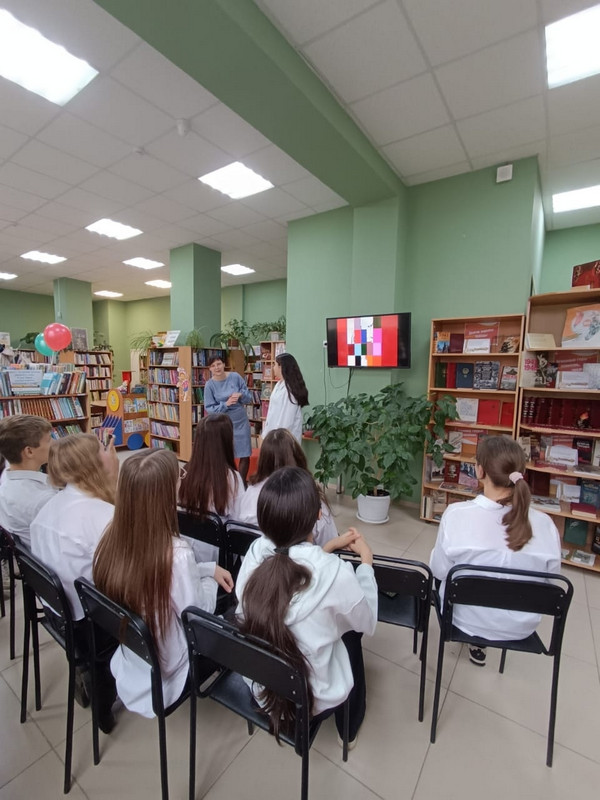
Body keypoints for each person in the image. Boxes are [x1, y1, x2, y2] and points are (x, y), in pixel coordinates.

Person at [236, 466, 377, 747]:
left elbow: (290, 567)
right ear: (318, 515)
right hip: (313, 695)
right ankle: (348, 730)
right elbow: (367, 620)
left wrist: (327, 548)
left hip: (261, 685)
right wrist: (366, 564)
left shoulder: (255, 553)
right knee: (351, 633)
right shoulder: (336, 572)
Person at [93, 449, 233, 717]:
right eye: (179, 476)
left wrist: (206, 568)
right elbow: (197, 614)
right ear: (166, 493)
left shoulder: (110, 539)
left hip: (134, 655)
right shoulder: (177, 554)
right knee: (231, 615)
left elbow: (164, 579)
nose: (182, 479)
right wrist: (209, 581)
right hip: (170, 667)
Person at [429, 434, 562, 667]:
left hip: (464, 619)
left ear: (479, 471)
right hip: (520, 626)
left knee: (441, 571)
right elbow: (551, 583)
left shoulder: (456, 514)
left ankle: (475, 640)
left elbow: (439, 571)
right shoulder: (545, 524)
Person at [30, 433, 119, 732]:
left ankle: (83, 666)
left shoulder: (47, 509)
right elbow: (127, 577)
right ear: (92, 464)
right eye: (103, 449)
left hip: (58, 615)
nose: (110, 451)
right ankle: (107, 701)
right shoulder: (104, 516)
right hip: (91, 624)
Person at [237, 428, 338, 548]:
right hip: (299, 560)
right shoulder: (311, 499)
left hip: (250, 556)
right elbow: (330, 542)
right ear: (297, 457)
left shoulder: (250, 492)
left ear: (262, 459)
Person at [178, 414, 245, 561]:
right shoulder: (232, 478)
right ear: (227, 442)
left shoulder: (185, 471)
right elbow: (238, 526)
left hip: (186, 548)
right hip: (218, 555)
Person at [0, 415, 57, 544]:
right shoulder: (43, 500)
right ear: (29, 451)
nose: (54, 443)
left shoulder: (5, 479)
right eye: (49, 440)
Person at [203, 356, 253, 484]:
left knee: (245, 453)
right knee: (225, 454)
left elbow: (249, 398)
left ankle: (242, 484)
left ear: (224, 364)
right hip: (222, 424)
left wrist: (241, 395)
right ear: (209, 369)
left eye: (219, 364)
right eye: (213, 366)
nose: (217, 368)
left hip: (240, 421)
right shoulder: (209, 385)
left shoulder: (235, 377)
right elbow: (210, 409)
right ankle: (229, 484)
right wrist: (226, 404)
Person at [261, 353, 309, 443]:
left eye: (275, 365)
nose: (273, 368)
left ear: (281, 367)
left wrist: (277, 439)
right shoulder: (279, 385)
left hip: (283, 441)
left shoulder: (290, 390)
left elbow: (287, 420)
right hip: (273, 436)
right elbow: (272, 413)